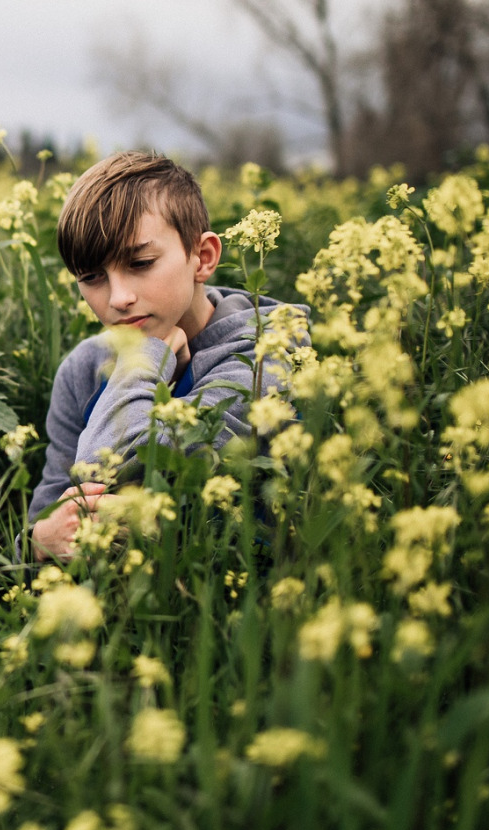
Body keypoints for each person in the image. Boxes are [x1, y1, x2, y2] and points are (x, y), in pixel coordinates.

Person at [28, 152, 308, 561]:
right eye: (92, 278)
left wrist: (140, 362)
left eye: (140, 263)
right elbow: (48, 519)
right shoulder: (82, 370)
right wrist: (37, 544)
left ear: (204, 257)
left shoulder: (267, 353)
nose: (119, 298)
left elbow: (113, 469)